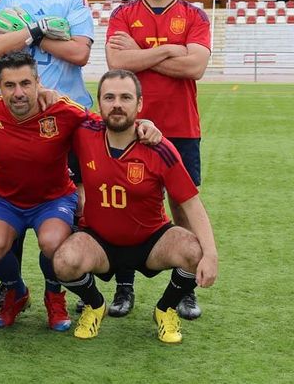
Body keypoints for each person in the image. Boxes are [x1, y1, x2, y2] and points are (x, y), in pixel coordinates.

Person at [0, 52, 162, 332]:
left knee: (53, 242)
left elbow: (106, 124)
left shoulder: (63, 110)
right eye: (10, 85)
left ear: (38, 82)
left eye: (26, 83)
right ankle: (16, 292)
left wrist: (144, 124)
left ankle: (53, 295)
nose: (18, 93)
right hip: (6, 199)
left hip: (53, 199)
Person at [54, 69, 218, 343]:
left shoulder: (159, 148)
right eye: (109, 97)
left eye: (126, 97)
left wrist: (211, 255)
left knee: (195, 250)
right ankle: (95, 305)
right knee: (63, 261)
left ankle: (165, 309)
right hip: (100, 241)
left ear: (139, 104)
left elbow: (191, 203)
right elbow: (54, 104)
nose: (117, 104)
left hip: (151, 241)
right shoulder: (83, 132)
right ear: (99, 102)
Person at [0, 0, 95, 308]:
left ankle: (71, 280)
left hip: (66, 120)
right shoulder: (8, 0)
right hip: (15, 120)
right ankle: (11, 285)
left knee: (76, 202)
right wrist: (38, 30)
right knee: (10, 196)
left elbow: (79, 52)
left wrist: (30, 35)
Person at [105, 0, 211, 320]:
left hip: (181, 128)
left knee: (183, 208)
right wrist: (170, 49)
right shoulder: (123, 15)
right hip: (130, 128)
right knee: (126, 206)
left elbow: (195, 67)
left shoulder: (195, 16)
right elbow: (117, 61)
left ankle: (185, 290)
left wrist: (141, 53)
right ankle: (124, 285)